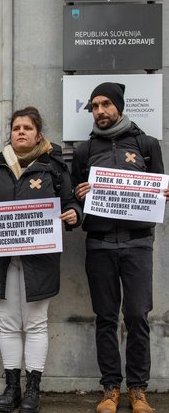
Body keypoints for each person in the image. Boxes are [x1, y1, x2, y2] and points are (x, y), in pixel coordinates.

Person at [0, 107, 82, 413]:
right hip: (2, 259)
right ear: (10, 132)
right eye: (16, 127)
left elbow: (71, 202)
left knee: (35, 323)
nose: (21, 131)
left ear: (38, 133)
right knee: (7, 324)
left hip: (40, 259)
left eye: (27, 128)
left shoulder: (54, 166)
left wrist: (74, 214)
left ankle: (33, 390)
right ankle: (11, 389)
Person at [71, 83, 168, 413]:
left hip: (138, 244)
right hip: (98, 245)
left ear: (119, 107)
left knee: (138, 316)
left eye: (105, 104)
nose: (99, 111)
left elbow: (158, 188)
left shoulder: (147, 144)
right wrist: (79, 197)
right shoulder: (83, 151)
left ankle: (138, 389)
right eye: (94, 106)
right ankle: (110, 388)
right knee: (105, 318)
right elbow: (73, 200)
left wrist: (163, 194)